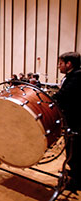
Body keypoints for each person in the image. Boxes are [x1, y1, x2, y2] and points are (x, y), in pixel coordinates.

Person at [52, 52, 81, 191]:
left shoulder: (77, 76)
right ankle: (74, 173)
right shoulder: (72, 75)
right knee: (71, 149)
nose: (59, 66)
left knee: (75, 150)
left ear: (69, 64)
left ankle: (77, 181)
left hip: (76, 120)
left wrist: (52, 98)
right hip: (72, 119)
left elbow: (64, 95)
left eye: (60, 63)